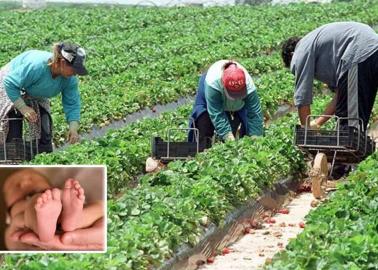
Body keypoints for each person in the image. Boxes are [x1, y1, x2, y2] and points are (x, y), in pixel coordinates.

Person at [281, 22, 378, 130]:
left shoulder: (300, 51)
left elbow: (302, 96)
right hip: (372, 48)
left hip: (357, 52)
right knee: (353, 118)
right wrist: (318, 123)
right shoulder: (319, 46)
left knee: (350, 128)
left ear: (291, 55)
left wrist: (306, 130)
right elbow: (340, 95)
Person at [0, 41, 88, 153]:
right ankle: (10, 161)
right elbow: (10, 82)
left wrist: (73, 127)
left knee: (44, 128)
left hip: (35, 91)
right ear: (62, 62)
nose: (76, 73)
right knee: (13, 126)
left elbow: (72, 103)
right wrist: (22, 107)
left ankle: (42, 159)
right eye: (74, 69)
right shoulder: (37, 66)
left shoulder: (70, 79)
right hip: (10, 85)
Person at [3, 169, 104, 251]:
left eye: (32, 178)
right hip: (30, 226)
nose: (24, 183)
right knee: (32, 207)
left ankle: (73, 221)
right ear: (8, 213)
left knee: (98, 207)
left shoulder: (56, 194)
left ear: (50, 185)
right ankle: (44, 226)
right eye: (15, 185)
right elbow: (10, 240)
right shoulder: (13, 216)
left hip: (70, 212)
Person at [188, 60, 263, 146]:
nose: (235, 98)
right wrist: (229, 140)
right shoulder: (213, 84)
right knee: (204, 125)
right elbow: (216, 114)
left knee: (245, 125)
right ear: (223, 85)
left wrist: (256, 141)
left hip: (238, 102)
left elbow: (255, 113)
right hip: (211, 92)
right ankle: (202, 150)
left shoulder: (249, 84)